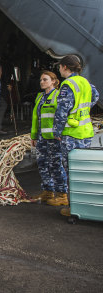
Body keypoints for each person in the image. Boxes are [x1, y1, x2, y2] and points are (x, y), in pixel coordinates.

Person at [52, 55, 100, 216]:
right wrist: (82, 110)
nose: (59, 70)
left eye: (59, 67)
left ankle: (75, 208)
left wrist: (57, 131)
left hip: (71, 134)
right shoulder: (85, 82)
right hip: (85, 132)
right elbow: (96, 96)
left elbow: (62, 111)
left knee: (71, 172)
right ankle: (87, 205)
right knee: (83, 170)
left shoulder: (67, 85)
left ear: (65, 67)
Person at [30, 71, 68, 205]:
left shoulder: (58, 96)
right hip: (41, 138)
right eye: (41, 80)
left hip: (54, 138)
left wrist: (60, 133)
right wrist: (34, 136)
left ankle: (62, 195)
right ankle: (48, 191)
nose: (42, 82)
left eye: (45, 79)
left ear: (53, 81)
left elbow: (62, 115)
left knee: (56, 165)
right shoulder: (40, 97)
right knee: (43, 164)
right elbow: (36, 118)